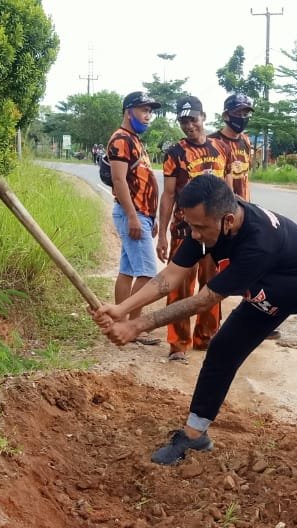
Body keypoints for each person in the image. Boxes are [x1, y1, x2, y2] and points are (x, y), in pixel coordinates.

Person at [92, 174, 297, 514]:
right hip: (268, 292)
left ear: (227, 220)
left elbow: (204, 300)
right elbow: (168, 277)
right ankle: (195, 435)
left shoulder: (257, 240)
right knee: (222, 351)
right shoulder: (206, 226)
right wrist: (122, 310)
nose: (194, 235)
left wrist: (138, 325)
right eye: (191, 227)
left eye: (200, 228)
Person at [156, 96, 227, 363]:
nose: (189, 126)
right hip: (184, 232)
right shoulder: (174, 153)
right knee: (179, 289)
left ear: (204, 116)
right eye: (183, 121)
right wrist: (162, 233)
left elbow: (228, 190)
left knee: (213, 286)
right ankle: (178, 344)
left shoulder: (221, 149)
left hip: (216, 233)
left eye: (192, 120)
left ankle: (206, 338)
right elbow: (169, 195)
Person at [106, 91, 164, 346]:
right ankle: (131, 327)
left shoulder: (135, 140)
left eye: (150, 111)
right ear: (128, 111)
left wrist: (152, 217)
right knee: (148, 272)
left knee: (128, 269)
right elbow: (119, 180)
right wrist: (133, 217)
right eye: (143, 110)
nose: (147, 115)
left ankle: (120, 324)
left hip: (142, 214)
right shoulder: (121, 140)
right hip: (133, 212)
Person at [210, 93, 255, 202]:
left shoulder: (246, 140)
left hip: (244, 206)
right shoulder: (212, 142)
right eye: (238, 113)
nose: (242, 118)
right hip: (221, 206)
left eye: (246, 114)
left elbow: (245, 177)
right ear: (226, 115)